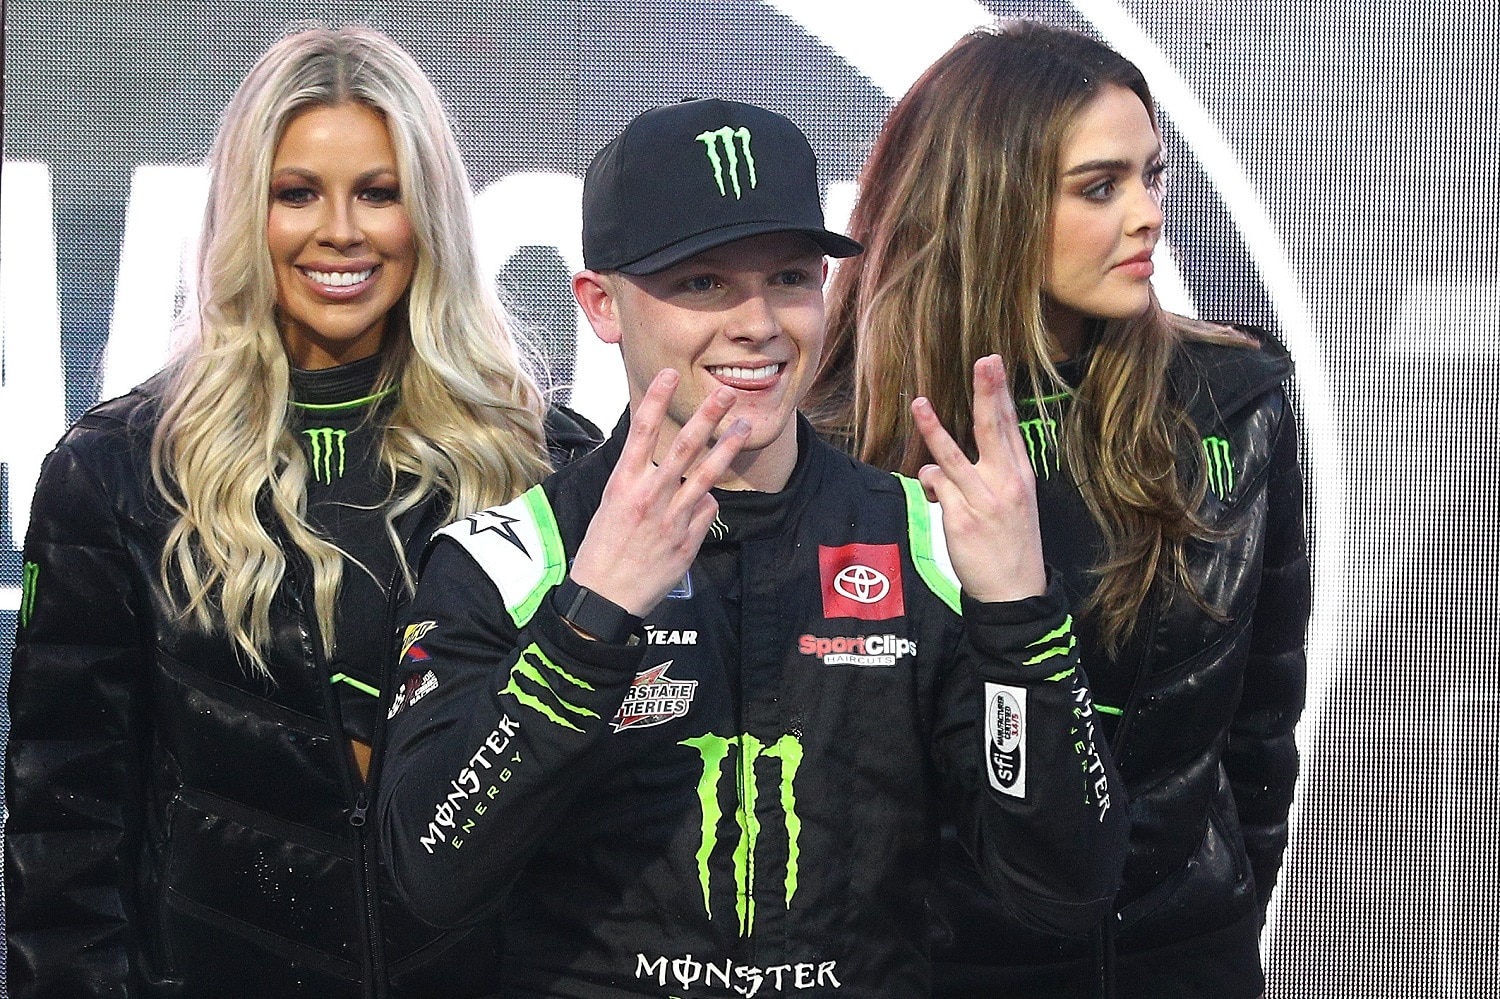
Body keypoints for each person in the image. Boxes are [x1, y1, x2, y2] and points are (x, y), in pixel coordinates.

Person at [377, 98, 1127, 998]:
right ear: (600, 303)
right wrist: (589, 623)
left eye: (788, 277)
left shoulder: (933, 542)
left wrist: (1022, 622)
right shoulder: (508, 559)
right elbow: (426, 876)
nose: (759, 323)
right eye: (702, 284)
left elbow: (1069, 886)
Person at [4, 26, 598, 999]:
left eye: (377, 191)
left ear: (430, 214)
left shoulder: (551, 465)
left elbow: (604, 838)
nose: (341, 231)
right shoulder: (113, 475)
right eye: (297, 194)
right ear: (246, 213)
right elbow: (65, 844)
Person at [805, 22, 1310, 999]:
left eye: (1152, 176)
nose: (1149, 216)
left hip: (1180, 961)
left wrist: (1209, 933)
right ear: (988, 204)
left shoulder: (1233, 399)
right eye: (1099, 186)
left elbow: (1258, 737)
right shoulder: (835, 443)